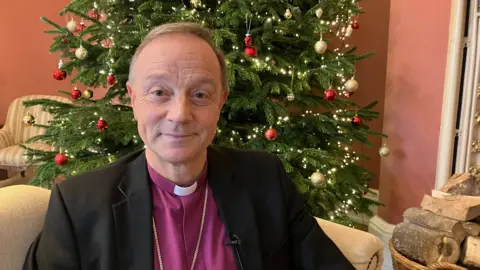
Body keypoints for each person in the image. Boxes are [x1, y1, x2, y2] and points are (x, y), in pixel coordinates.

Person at [23, 22, 354, 270]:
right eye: (159, 93)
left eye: (200, 94)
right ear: (132, 99)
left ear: (220, 102)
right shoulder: (78, 205)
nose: (180, 115)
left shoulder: (266, 180)